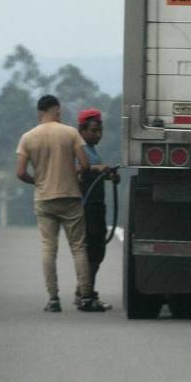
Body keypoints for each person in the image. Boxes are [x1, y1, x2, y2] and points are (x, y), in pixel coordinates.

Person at [15, 95, 108, 313]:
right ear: (56, 110)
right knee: (78, 248)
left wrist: (37, 182)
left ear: (39, 112)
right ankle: (85, 296)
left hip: (44, 198)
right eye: (59, 111)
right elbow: (84, 164)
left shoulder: (27, 138)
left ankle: (54, 299)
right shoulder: (70, 133)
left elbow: (20, 173)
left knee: (49, 248)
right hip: (70, 198)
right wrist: (74, 177)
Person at [76, 108, 119, 309]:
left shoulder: (92, 150)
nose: (98, 134)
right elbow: (76, 171)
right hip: (86, 206)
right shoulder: (79, 148)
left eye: (100, 130)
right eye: (94, 130)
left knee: (98, 250)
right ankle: (85, 293)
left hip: (97, 205)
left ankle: (86, 290)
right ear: (82, 131)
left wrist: (109, 175)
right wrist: (97, 169)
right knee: (92, 250)